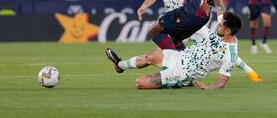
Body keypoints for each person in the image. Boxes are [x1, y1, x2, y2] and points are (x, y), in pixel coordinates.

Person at [137, 0, 260, 81]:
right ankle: (175, 78)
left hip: (192, 20)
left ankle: (249, 71)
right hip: (173, 24)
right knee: (162, 57)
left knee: (219, 46)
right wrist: (143, 7)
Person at [106, 11, 261, 89]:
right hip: (180, 57)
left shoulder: (230, 53)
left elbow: (223, 81)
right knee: (151, 57)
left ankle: (180, 83)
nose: (217, 26)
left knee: (139, 83)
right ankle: (120, 65)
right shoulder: (216, 35)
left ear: (228, 31)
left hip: (182, 73)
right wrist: (251, 72)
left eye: (220, 26)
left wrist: (208, 86)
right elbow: (239, 61)